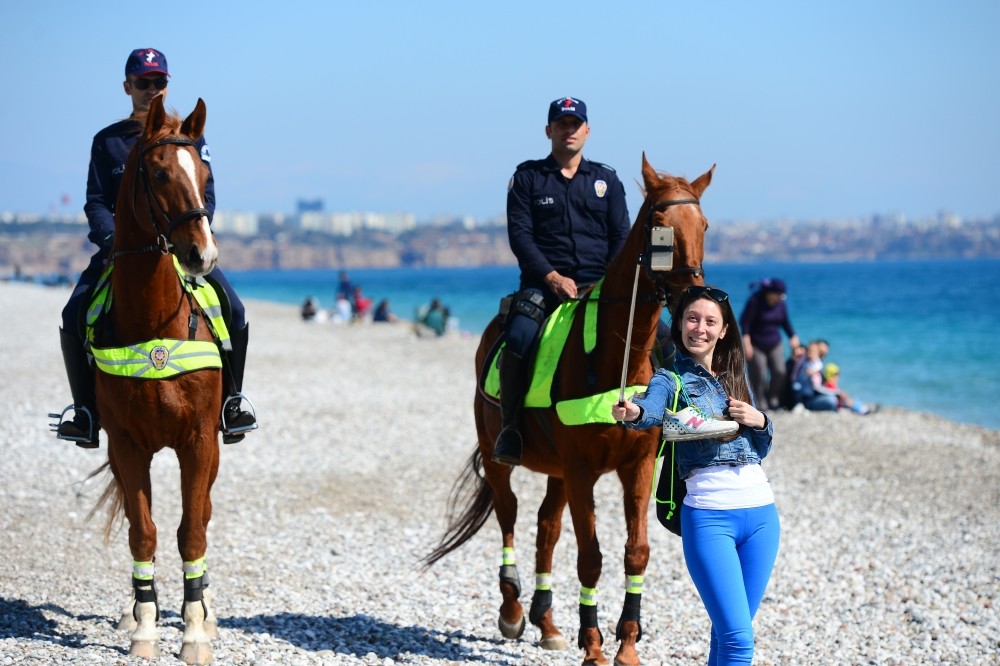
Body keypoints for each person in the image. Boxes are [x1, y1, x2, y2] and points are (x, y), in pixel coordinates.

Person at [54, 48, 257, 448]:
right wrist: (111, 239)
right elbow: (96, 200)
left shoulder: (189, 139)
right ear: (127, 86)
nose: (151, 90)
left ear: (167, 85)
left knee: (233, 309)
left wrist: (189, 233)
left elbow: (204, 195)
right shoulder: (107, 142)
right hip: (121, 251)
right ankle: (84, 411)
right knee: (73, 312)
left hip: (179, 245)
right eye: (143, 83)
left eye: (159, 82)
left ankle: (232, 403)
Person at [611, 285, 780, 665]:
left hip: (763, 517)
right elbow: (651, 410)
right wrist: (634, 414)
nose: (699, 328)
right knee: (739, 641)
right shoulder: (670, 379)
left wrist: (762, 420)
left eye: (709, 321)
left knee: (729, 634)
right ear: (679, 325)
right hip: (710, 516)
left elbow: (761, 448)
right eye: (691, 318)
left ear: (723, 330)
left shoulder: (737, 375)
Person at [492, 96, 632, 466]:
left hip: (600, 288)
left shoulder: (607, 180)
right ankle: (510, 429)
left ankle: (669, 420)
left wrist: (610, 283)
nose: (568, 130)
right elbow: (520, 237)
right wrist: (552, 277)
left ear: (587, 131)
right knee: (519, 337)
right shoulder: (527, 179)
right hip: (543, 283)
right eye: (561, 124)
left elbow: (622, 238)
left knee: (661, 335)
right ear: (548, 131)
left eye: (575, 124)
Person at [739, 278, 800, 411]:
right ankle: (760, 401)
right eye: (778, 295)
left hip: (775, 343)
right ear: (770, 293)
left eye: (782, 295)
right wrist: (746, 343)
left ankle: (773, 397)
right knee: (759, 374)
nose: (780, 298)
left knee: (780, 371)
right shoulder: (755, 301)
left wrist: (793, 336)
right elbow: (745, 323)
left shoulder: (781, 304)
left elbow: (785, 322)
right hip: (756, 344)